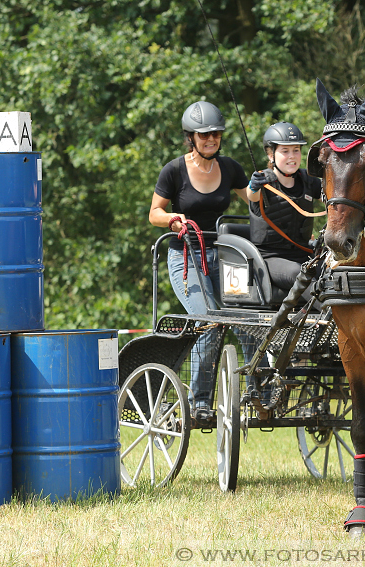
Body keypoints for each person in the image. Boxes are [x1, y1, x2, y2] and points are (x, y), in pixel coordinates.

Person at [149, 100, 250, 421]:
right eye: (204, 135)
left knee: (250, 320)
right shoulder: (174, 170)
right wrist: (171, 220)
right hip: (187, 257)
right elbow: (154, 213)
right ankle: (200, 401)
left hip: (225, 255)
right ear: (190, 137)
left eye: (216, 135)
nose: (211, 140)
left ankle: (258, 389)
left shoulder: (231, 168)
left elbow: (255, 204)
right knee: (209, 322)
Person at [246, 122, 323, 291]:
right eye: (285, 151)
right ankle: (332, 314)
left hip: (304, 254)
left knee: (333, 269)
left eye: (296, 150)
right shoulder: (262, 181)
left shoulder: (308, 180)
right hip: (270, 258)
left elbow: (333, 198)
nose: (292, 156)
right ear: (270, 155)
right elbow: (251, 195)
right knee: (299, 273)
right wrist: (253, 185)